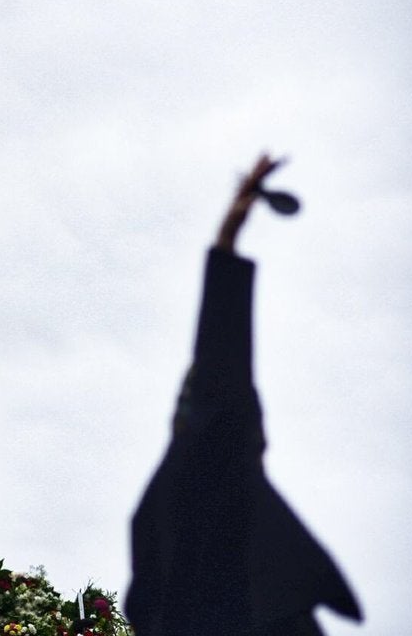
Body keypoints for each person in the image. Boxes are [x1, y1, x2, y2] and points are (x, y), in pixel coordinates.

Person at [126, 155, 362, 636]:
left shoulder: (161, 522)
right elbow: (221, 370)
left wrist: (228, 240)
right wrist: (227, 244)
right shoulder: (217, 496)